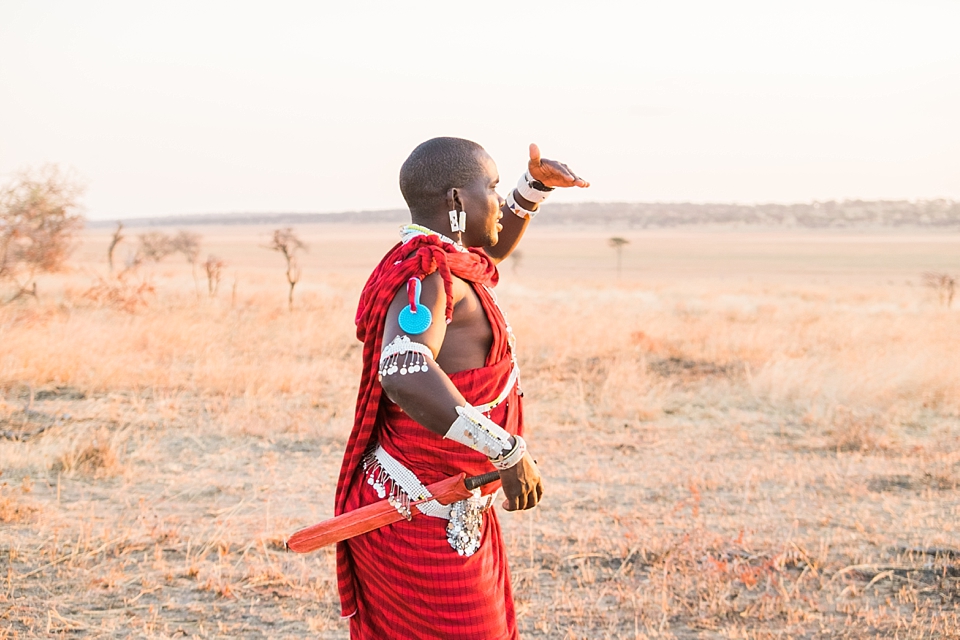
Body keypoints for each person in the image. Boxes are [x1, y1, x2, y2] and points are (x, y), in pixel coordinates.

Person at [335, 137, 589, 639]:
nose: (498, 201)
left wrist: (531, 189)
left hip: (453, 501)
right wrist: (507, 451)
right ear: (456, 200)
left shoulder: (446, 259)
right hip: (419, 508)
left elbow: (488, 244)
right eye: (491, 188)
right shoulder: (425, 275)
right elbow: (405, 370)